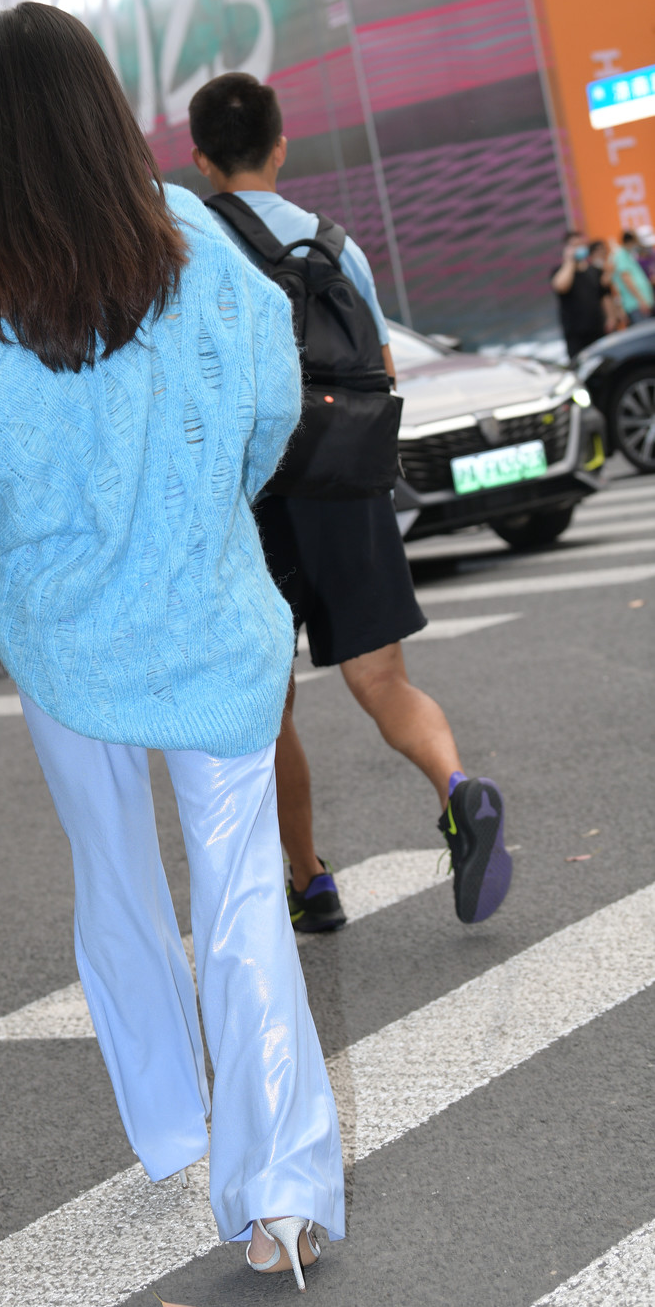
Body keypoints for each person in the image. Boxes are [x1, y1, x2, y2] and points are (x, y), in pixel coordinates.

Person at [0, 3, 344, 1282]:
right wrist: (199, 507)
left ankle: (171, 1126)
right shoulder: (194, 235)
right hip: (212, 615)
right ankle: (279, 1196)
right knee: (241, 895)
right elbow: (270, 406)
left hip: (64, 635)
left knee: (114, 879)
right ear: (106, 102)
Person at [189, 70, 511, 933]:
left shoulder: (193, 246)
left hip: (253, 497)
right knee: (383, 680)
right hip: (347, 480)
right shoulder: (337, 245)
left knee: (270, 703)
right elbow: (384, 371)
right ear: (281, 145)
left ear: (200, 159)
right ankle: (455, 786)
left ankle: (310, 881)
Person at [552, 232, 614, 358]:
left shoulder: (594, 271)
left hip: (598, 329)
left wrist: (611, 317)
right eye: (574, 245)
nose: (579, 248)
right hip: (576, 333)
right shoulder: (560, 271)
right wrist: (570, 261)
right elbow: (561, 286)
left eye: (581, 244)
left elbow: (604, 296)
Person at [611, 231, 655, 324]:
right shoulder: (621, 256)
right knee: (643, 331)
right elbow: (627, 280)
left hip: (641, 303)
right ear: (630, 241)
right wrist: (641, 301)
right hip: (636, 305)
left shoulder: (629, 255)